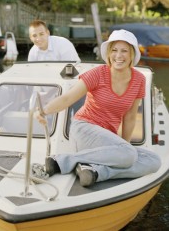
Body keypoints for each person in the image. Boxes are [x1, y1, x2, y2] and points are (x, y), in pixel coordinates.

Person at [36, 29, 161, 187]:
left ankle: (95, 171)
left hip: (108, 139)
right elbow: (68, 98)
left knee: (154, 161)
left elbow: (129, 117)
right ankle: (60, 161)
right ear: (109, 53)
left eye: (124, 51)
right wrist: (44, 111)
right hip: (84, 129)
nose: (118, 55)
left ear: (132, 54)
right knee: (129, 155)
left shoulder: (139, 80)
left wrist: (122, 149)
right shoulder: (98, 74)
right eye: (114, 50)